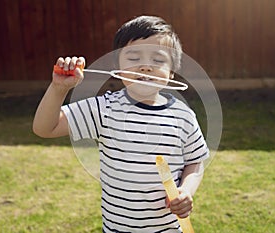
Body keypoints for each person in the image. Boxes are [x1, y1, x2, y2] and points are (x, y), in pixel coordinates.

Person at [33, 15, 209, 232]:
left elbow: (195, 162)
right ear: (118, 66)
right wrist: (59, 89)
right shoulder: (104, 109)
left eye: (158, 59)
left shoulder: (183, 116)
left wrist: (186, 190)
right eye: (134, 58)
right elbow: (44, 128)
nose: (146, 67)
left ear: (172, 71)